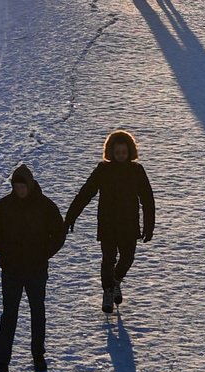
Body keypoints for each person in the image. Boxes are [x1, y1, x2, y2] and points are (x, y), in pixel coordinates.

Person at [0, 162, 66, 372]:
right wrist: (5, 253)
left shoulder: (45, 206)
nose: (20, 190)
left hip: (36, 270)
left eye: (23, 186)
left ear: (30, 185)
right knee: (9, 315)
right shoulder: (5, 206)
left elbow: (59, 233)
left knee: (37, 312)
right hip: (11, 270)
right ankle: (2, 363)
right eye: (16, 187)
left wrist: (44, 253)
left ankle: (38, 355)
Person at [66, 129, 155, 314]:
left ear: (129, 152)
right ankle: (108, 292)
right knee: (108, 259)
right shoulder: (103, 170)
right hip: (108, 224)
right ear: (111, 152)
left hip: (129, 224)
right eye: (117, 152)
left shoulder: (136, 171)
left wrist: (149, 225)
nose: (120, 156)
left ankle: (115, 281)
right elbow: (85, 193)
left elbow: (147, 199)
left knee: (128, 258)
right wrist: (71, 216)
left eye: (124, 152)